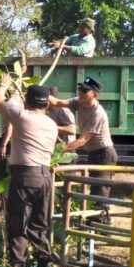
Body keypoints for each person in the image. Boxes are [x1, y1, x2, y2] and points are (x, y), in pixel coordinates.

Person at [0, 76, 58, 267]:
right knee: (39, 224)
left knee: (18, 223)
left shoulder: (21, 117)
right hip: (45, 177)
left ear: (27, 101)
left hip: (25, 176)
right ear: (47, 104)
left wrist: (4, 84)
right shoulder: (51, 124)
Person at [47, 76, 117, 223]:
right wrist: (39, 93)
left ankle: (101, 226)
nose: (80, 91)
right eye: (80, 88)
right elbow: (57, 102)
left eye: (85, 90)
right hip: (94, 152)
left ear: (95, 95)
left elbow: (82, 140)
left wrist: (59, 151)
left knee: (100, 191)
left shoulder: (97, 113)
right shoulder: (79, 101)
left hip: (104, 154)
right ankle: (94, 222)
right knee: (94, 187)